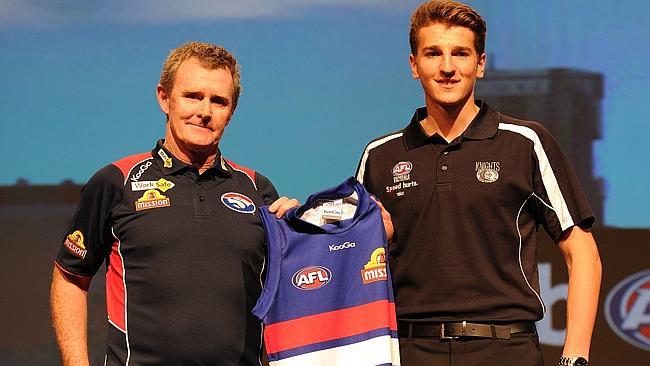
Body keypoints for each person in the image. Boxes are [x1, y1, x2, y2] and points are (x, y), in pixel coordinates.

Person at [355, 1, 602, 365]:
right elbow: (353, 263)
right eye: (433, 53)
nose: (447, 68)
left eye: (461, 53)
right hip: (409, 350)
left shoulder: (525, 142)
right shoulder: (380, 155)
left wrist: (575, 357)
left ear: (480, 64)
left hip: (506, 349)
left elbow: (583, 253)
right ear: (414, 66)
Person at [50, 41, 297, 366]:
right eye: (192, 96)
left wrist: (301, 235)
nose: (205, 112)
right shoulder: (116, 181)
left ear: (231, 111)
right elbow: (70, 277)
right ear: (164, 98)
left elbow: (296, 292)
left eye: (218, 101)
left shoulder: (258, 189)